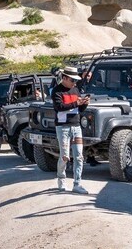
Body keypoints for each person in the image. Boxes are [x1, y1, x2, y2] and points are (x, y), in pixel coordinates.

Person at [52, 66, 90, 194]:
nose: (74, 83)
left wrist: (84, 103)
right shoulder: (57, 91)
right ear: (64, 78)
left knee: (79, 156)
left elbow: (79, 110)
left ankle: (77, 184)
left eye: (75, 80)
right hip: (62, 127)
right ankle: (61, 180)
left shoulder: (76, 89)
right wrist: (76, 104)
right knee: (64, 156)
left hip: (76, 126)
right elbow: (60, 107)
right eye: (72, 80)